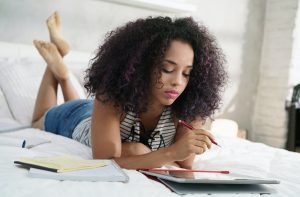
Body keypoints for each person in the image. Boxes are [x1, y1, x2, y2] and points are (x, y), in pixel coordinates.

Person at [31, 12, 227, 169]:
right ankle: (56, 67)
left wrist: (147, 152)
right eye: (167, 69)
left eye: (187, 73)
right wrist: (166, 154)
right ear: (142, 65)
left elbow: (185, 163)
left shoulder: (190, 103)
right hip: (77, 119)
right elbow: (104, 160)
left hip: (100, 116)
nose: (177, 82)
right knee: (38, 120)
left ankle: (61, 68)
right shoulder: (111, 95)